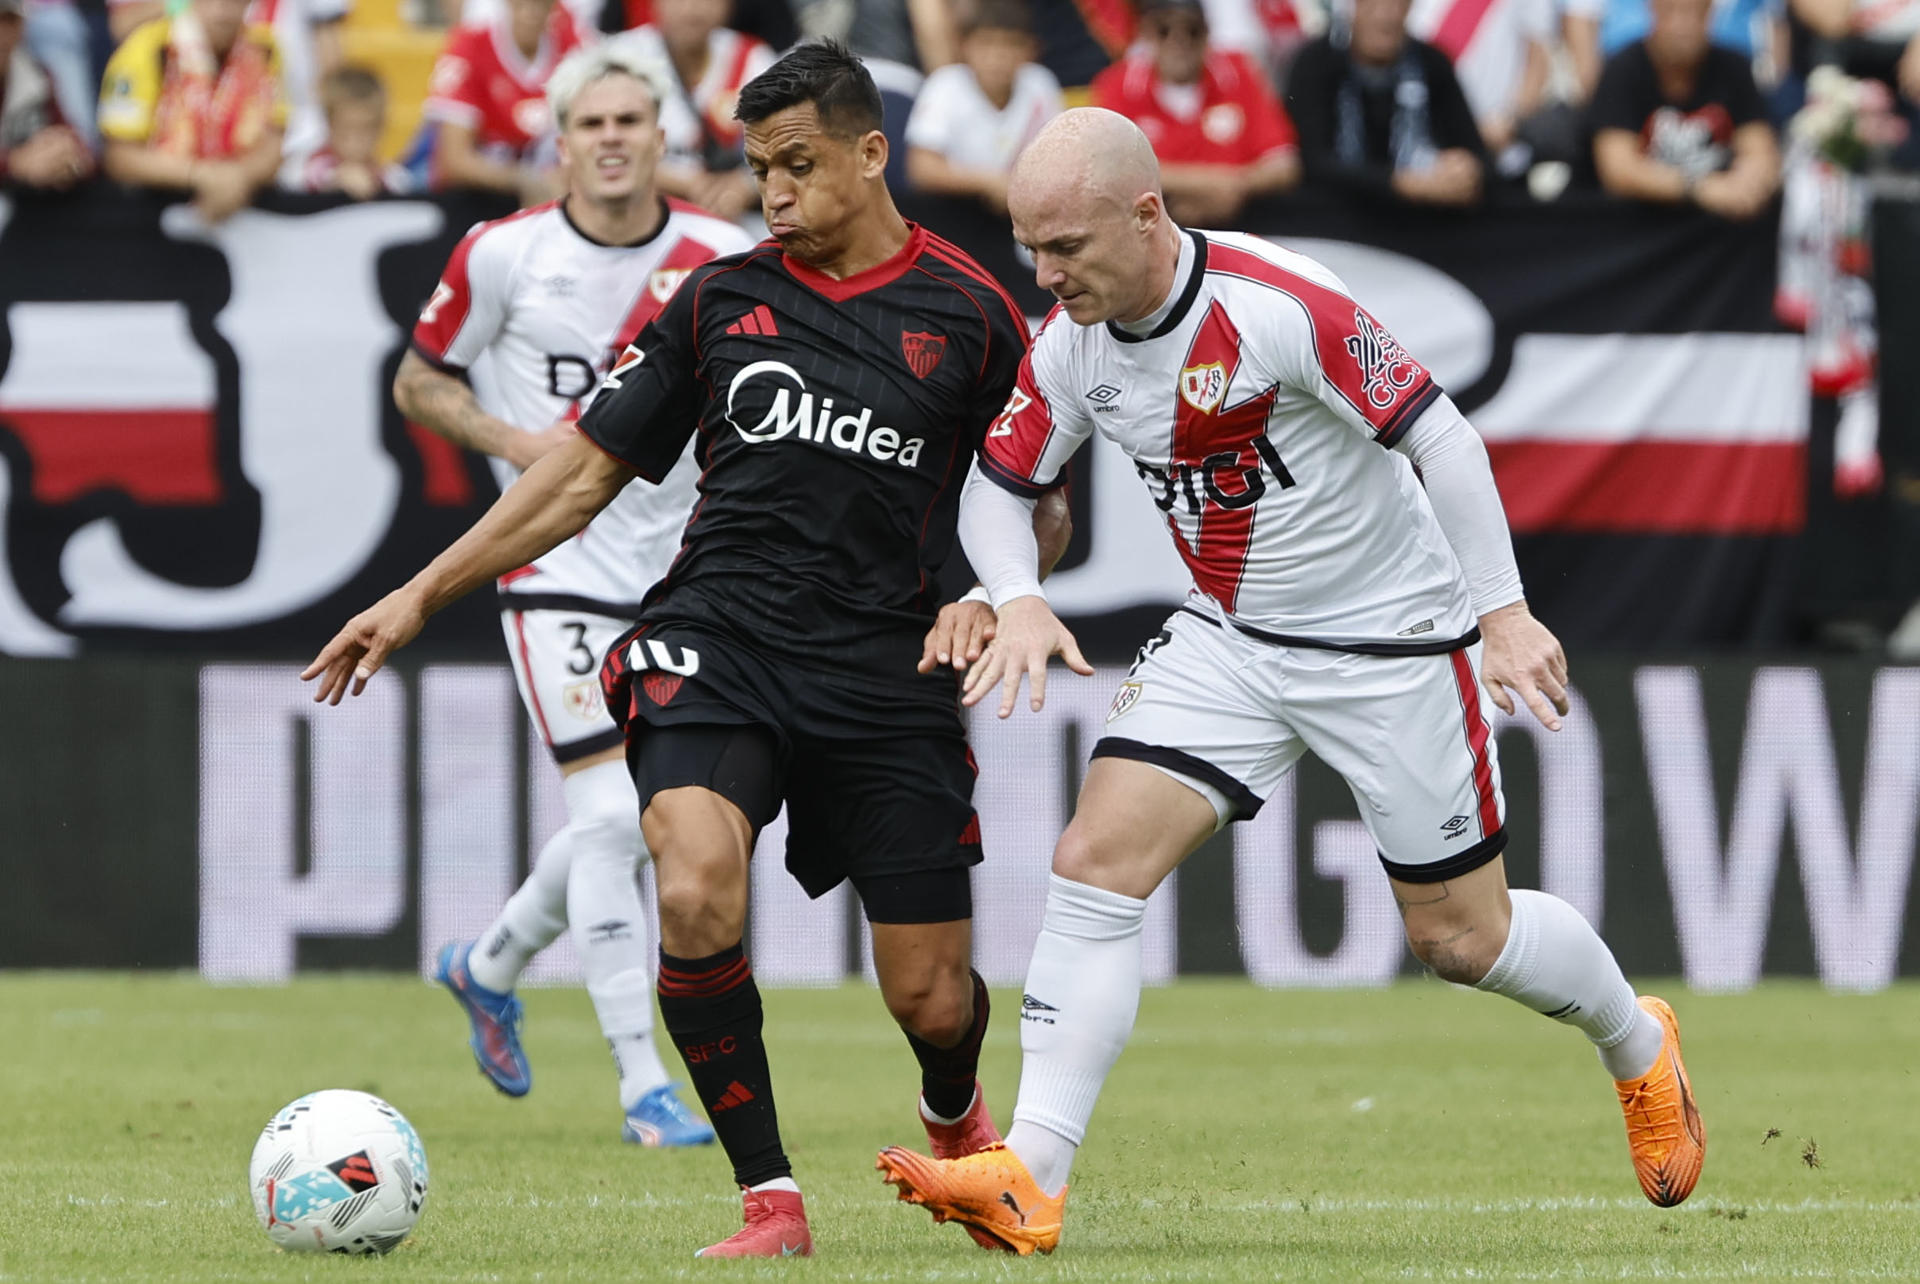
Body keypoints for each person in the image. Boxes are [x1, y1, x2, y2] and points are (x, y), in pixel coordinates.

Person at [874, 108, 1706, 1255]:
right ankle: (1033, 1176)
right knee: (1093, 861)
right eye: (1031, 247)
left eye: (1065, 246)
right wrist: (1016, 594)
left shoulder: (1279, 304)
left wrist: (1503, 615)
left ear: (1146, 214)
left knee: (1462, 941)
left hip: (1393, 643)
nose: (1045, 272)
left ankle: (1636, 1042)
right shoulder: (1071, 343)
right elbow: (997, 486)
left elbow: (1442, 439)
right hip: (1233, 641)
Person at [304, 40, 1069, 1259]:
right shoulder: (720, 299)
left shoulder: (974, 315)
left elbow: (1040, 500)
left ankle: (952, 1110)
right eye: (758, 168)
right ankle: (771, 1199)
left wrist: (998, 592)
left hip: (888, 668)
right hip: (720, 635)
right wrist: (417, 597)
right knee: (693, 875)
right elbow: (582, 475)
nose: (770, 194)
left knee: (930, 992)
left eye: (797, 165)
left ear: (873, 155)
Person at [394, 44, 748, 1145]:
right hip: (553, 567)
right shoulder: (502, 255)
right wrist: (513, 441)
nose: (609, 140)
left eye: (628, 122)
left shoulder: (722, 256)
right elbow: (417, 378)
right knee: (610, 817)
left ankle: (488, 964)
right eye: (589, 123)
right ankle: (644, 1087)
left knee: (643, 826)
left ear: (661, 138)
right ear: (560, 143)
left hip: (681, 576)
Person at [1089, 0, 1299, 226]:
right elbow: (1110, 170)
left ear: (1208, 33)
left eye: (1192, 30)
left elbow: (1283, 164)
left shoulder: (1237, 72)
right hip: (1152, 223)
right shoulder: (1118, 84)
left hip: (1241, 221)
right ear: (1147, 33)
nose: (1179, 41)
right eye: (1164, 30)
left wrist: (1231, 190)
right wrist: (1214, 187)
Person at [98, 0, 287, 222]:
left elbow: (278, 139)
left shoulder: (266, 48)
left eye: (233, 2)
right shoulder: (146, 48)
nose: (221, 12)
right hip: (156, 212)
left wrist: (239, 178)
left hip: (245, 205)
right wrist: (202, 176)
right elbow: (119, 157)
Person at [1287, 0, 1491, 205]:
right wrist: (1399, 184)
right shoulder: (1315, 63)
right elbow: (1310, 161)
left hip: (1422, 218)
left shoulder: (1432, 64)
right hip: (1335, 213)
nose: (1385, 16)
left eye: (1396, 5)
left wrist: (1465, 172)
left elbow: (1474, 151)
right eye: (1373, 5)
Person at [1590, 0, 1780, 219]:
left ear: (1710, 14)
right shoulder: (1622, 69)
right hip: (1639, 229)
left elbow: (1760, 148)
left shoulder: (1734, 67)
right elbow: (1617, 170)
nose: (1683, 25)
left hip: (1721, 231)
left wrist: (1750, 179)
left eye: (1694, 13)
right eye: (1672, 12)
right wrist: (1701, 188)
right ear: (1653, 12)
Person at [608, 0, 774, 221]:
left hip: (735, 217)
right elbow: (594, 147)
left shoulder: (752, 57)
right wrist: (687, 184)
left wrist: (744, 186)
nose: (693, 8)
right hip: (640, 212)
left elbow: (785, 146)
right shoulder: (619, 58)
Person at [904, 0, 1064, 214]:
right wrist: (990, 183)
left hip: (1025, 215)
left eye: (1011, 45)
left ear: (1031, 49)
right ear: (964, 46)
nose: (998, 57)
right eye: (987, 44)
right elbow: (922, 168)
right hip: (960, 216)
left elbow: (1060, 158)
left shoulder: (1040, 83)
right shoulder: (945, 84)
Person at [423, 0, 581, 196]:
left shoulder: (575, 47)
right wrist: (526, 181)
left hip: (555, 191)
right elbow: (454, 160)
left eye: (541, 4)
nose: (531, 12)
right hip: (481, 197)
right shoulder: (469, 47)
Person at [1, 0, 92, 190]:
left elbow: (78, 147)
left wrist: (66, 159)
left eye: (8, 20)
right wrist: (15, 164)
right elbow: (19, 164)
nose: (2, 33)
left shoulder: (35, 74)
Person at [291, 63, 410, 195]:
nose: (355, 141)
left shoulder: (389, 176)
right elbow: (317, 176)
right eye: (346, 131)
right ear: (330, 125)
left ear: (380, 128)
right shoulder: (314, 167)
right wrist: (338, 179)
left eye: (365, 130)